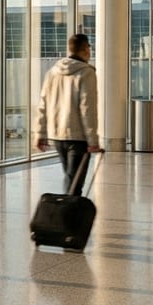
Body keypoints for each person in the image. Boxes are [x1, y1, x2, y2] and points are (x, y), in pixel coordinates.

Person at [35, 33, 103, 196]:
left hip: (57, 136)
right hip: (77, 137)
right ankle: (67, 217)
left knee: (71, 178)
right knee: (74, 183)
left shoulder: (53, 72)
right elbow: (87, 108)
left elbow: (43, 103)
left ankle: (67, 215)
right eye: (89, 48)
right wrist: (93, 140)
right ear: (86, 49)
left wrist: (40, 134)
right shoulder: (86, 73)